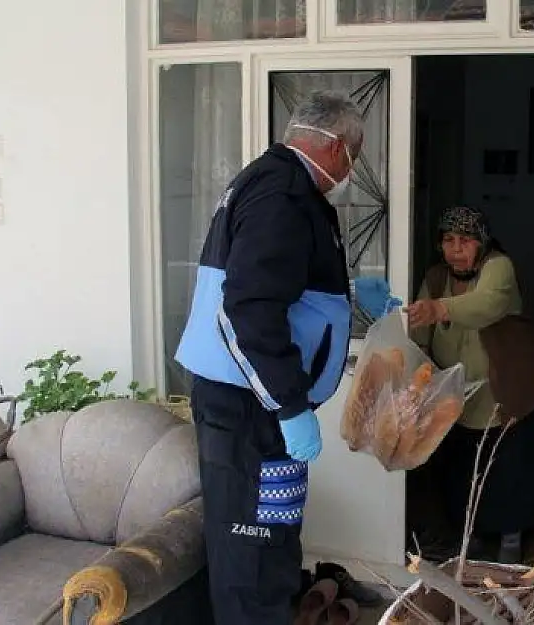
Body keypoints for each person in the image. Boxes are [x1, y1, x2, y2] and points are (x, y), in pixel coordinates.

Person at [175, 91, 395, 624]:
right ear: (338, 147)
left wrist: (346, 291)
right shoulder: (282, 195)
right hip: (250, 410)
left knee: (273, 539)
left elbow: (281, 280)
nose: (352, 168)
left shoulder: (281, 185)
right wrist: (290, 404)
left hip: (258, 409)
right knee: (253, 559)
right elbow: (247, 307)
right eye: (355, 154)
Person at [407, 205, 534, 564]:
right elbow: (421, 329)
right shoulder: (437, 277)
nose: (456, 248)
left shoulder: (498, 266)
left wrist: (439, 309)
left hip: (505, 388)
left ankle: (511, 542)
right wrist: (420, 365)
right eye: (448, 240)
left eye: (466, 240)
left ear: (481, 242)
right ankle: (468, 539)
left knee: (508, 469)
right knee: (461, 471)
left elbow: (486, 304)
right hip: (458, 395)